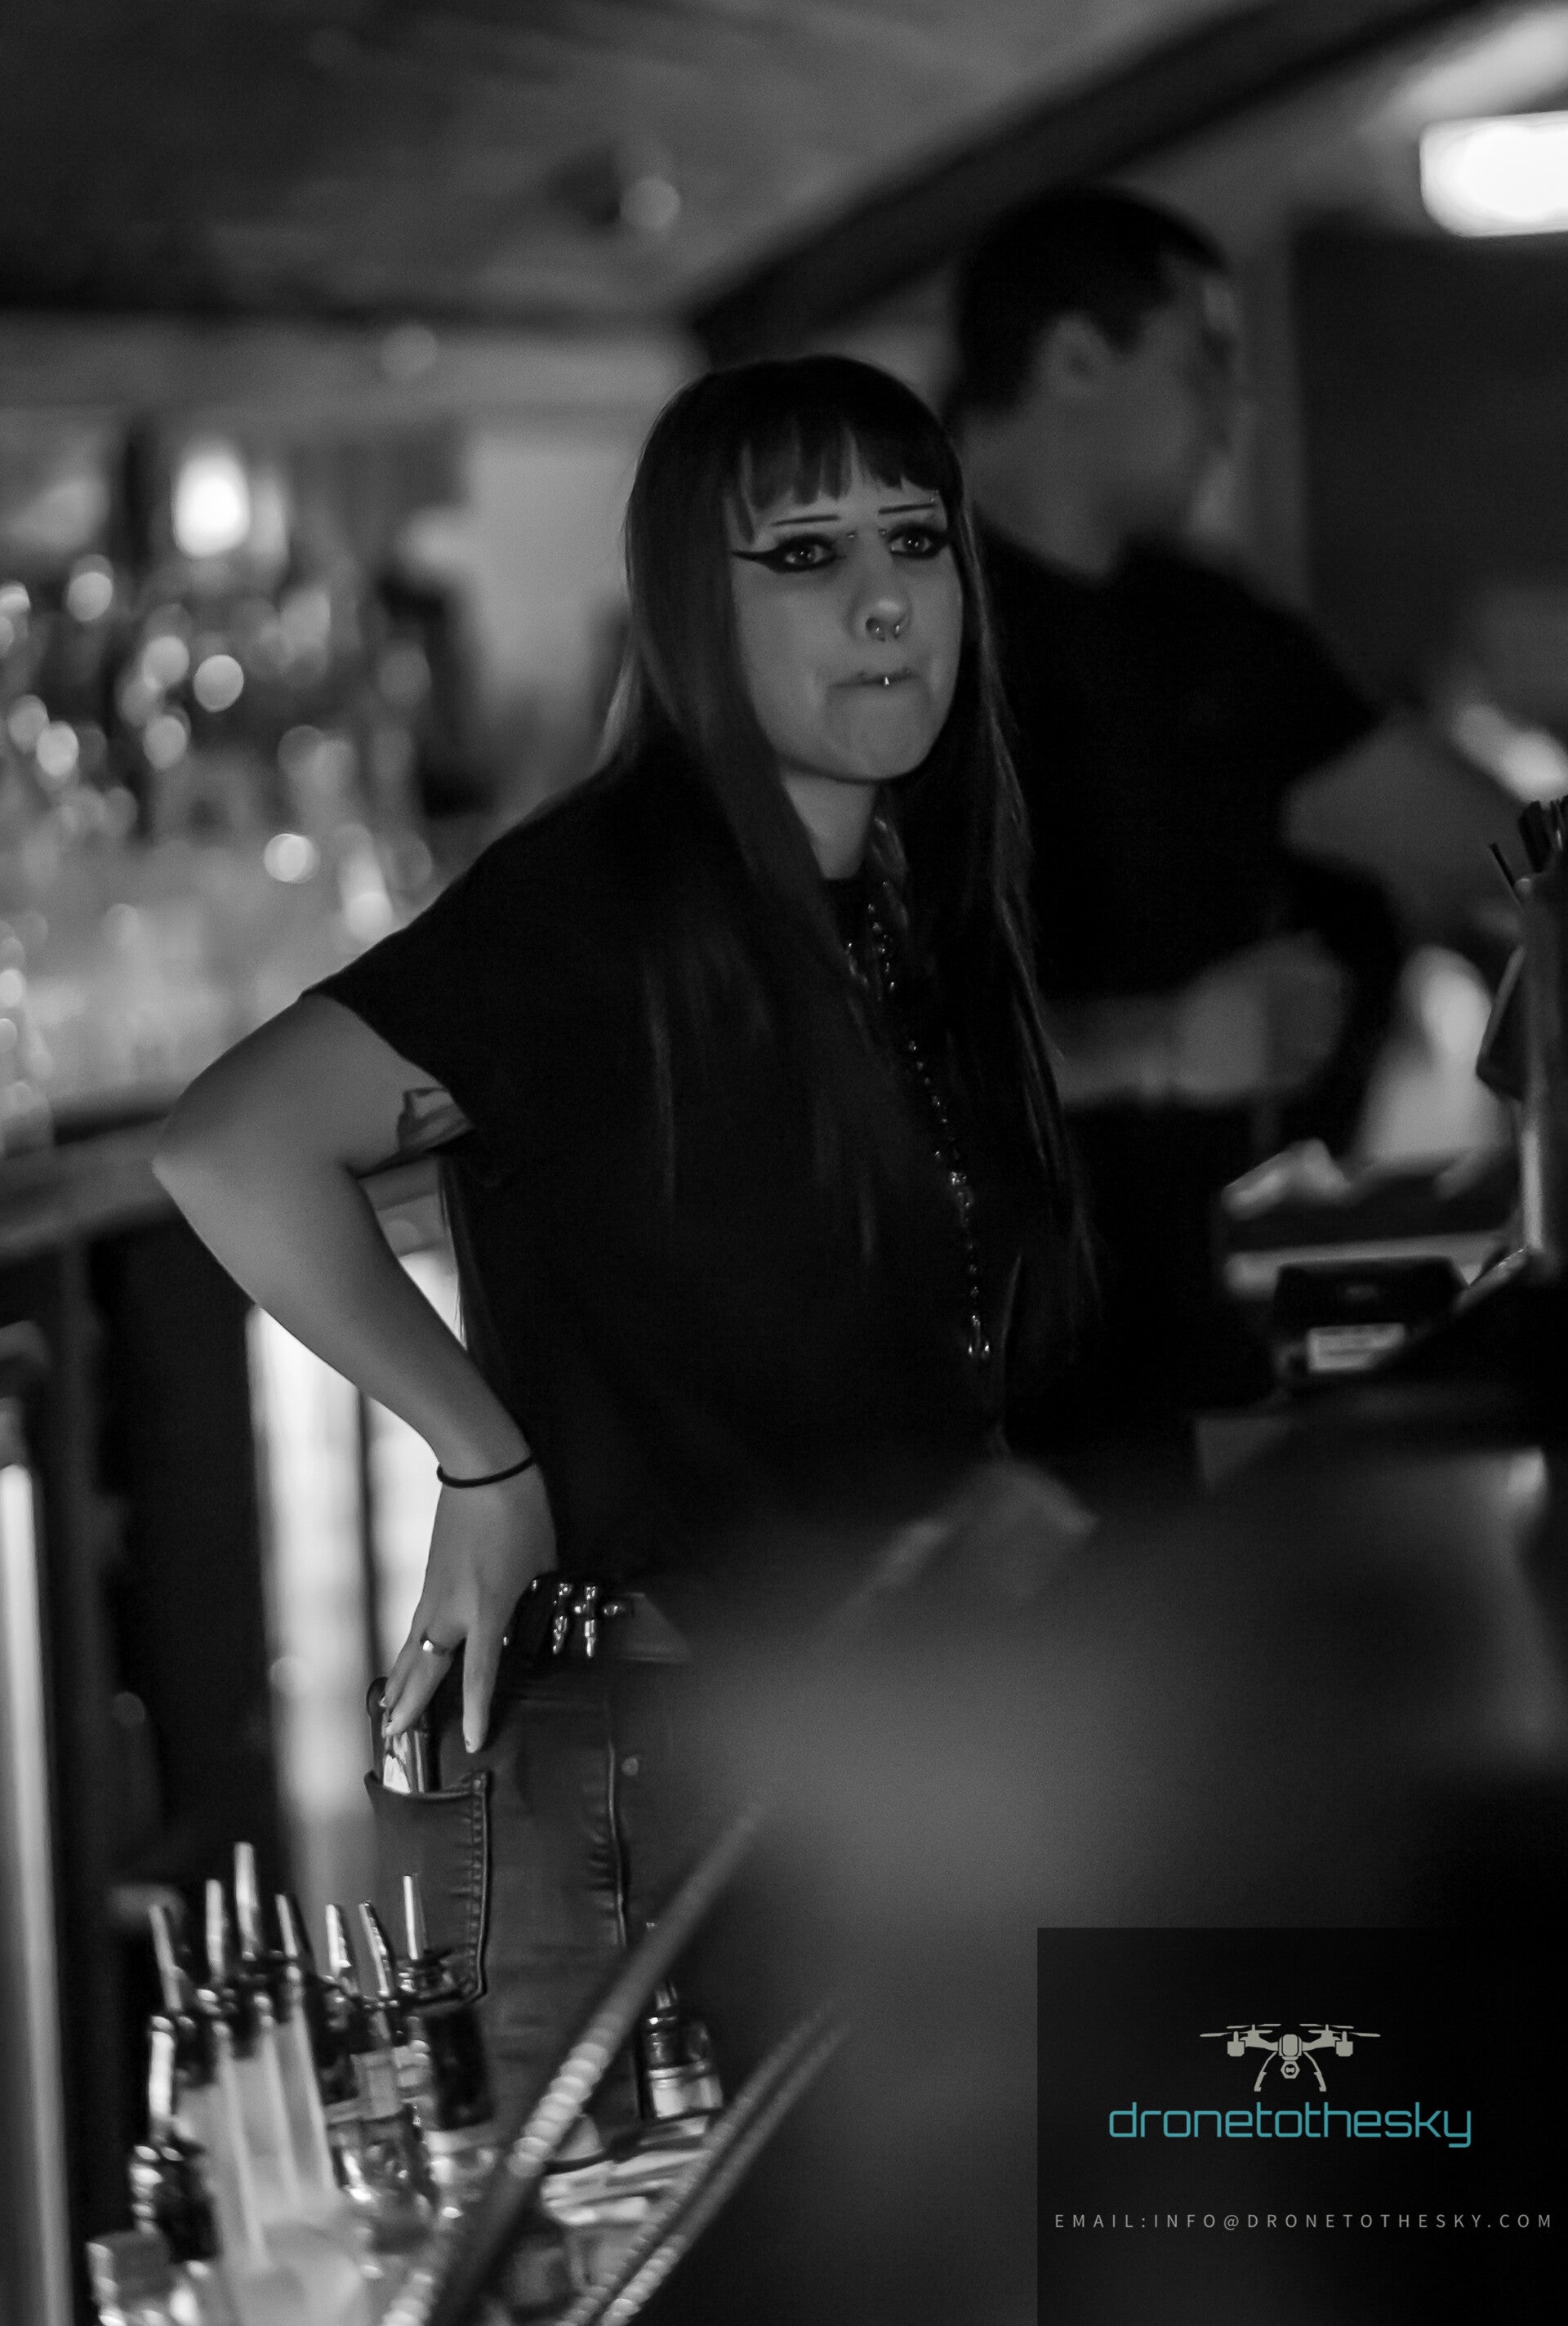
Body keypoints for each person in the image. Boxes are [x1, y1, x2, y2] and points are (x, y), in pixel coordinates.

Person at [153, 354, 1084, 2125]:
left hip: (869, 1746)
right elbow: (233, 1143)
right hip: (659, 1783)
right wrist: (481, 1456)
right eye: (803, 554)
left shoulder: (901, 905)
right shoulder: (607, 901)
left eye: (915, 539)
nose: (887, 599)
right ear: (689, 610)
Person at [948, 185, 1518, 1476]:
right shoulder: (910, 630)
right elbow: (841, 1027)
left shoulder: (1205, 626)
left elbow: (1493, 840)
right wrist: (1157, 1046)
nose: (1232, 405)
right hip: (974, 1388)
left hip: (1187, 1334)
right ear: (1073, 357)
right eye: (1204, 357)